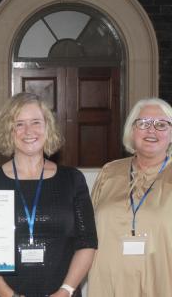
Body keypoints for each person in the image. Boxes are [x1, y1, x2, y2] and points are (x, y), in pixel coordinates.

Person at [0, 92, 97, 297]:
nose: (28, 131)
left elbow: (87, 242)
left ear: (47, 127)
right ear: (9, 130)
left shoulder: (72, 179)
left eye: (36, 122)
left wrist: (66, 291)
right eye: (19, 124)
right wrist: (8, 295)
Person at [87, 98, 172, 296]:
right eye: (143, 123)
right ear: (131, 131)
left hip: (161, 285)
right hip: (108, 285)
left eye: (161, 124)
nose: (151, 130)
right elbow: (87, 232)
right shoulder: (109, 171)